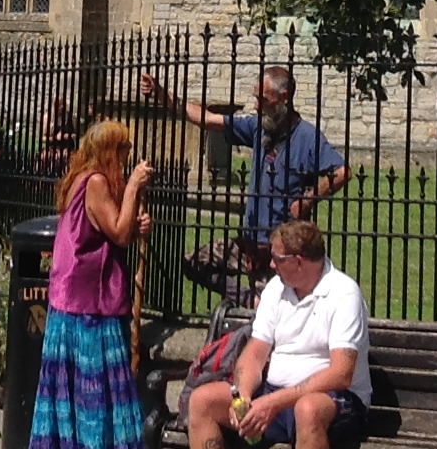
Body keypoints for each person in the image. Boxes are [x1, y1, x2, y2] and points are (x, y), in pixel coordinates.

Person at [183, 220, 370, 449]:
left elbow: (341, 373)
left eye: (277, 258)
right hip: (275, 394)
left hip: (334, 399)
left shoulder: (343, 294)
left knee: (307, 410)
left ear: (299, 262)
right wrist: (243, 396)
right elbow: (255, 352)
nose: (271, 264)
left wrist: (273, 403)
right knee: (202, 401)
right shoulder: (276, 289)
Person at [27, 119, 155, 449]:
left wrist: (134, 222)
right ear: (110, 152)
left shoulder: (79, 180)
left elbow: (110, 229)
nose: (127, 155)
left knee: (65, 384)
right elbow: (117, 232)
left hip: (68, 297)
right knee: (98, 385)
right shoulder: (96, 181)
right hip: (91, 303)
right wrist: (133, 187)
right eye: (124, 149)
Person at [139, 66, 347, 294]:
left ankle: (256, 305)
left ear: (284, 98)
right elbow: (207, 119)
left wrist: (307, 200)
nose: (256, 106)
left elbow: (341, 172)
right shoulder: (259, 127)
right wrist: (162, 94)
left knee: (272, 306)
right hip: (247, 244)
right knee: (196, 262)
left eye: (263, 99)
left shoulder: (307, 137)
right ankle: (249, 301)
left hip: (279, 252)